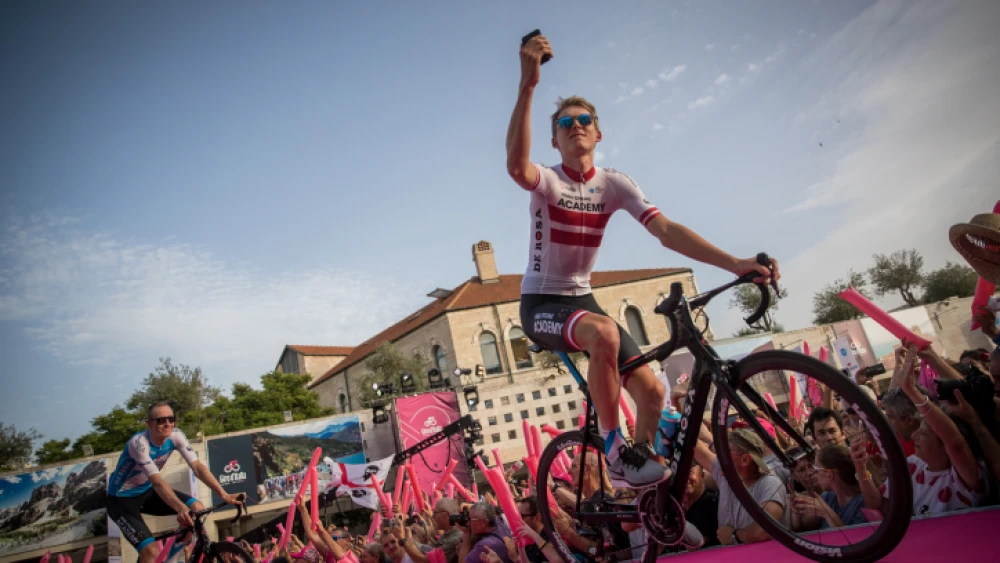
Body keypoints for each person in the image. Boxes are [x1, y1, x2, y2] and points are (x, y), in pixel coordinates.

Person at [508, 32, 780, 490]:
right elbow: (517, 167)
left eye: (585, 119)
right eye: (565, 122)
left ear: (598, 132)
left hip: (583, 299)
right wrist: (528, 85)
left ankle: (645, 479)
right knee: (605, 332)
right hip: (541, 304)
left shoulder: (614, 184)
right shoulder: (549, 182)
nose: (576, 125)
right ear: (554, 140)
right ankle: (615, 449)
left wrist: (734, 263)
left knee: (654, 391)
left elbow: (667, 232)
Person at [106, 402, 243, 563]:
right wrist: (181, 508)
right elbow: (157, 482)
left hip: (146, 491)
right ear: (149, 424)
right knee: (150, 550)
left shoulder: (176, 435)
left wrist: (224, 494)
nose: (168, 423)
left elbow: (197, 467)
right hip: (121, 500)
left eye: (171, 419)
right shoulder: (138, 444)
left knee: (198, 508)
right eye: (161, 420)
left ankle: (172, 555)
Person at [693, 429, 788, 545]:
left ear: (745, 459)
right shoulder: (728, 475)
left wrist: (735, 536)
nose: (720, 456)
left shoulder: (770, 483)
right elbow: (697, 449)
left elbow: (765, 530)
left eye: (725, 453)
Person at [792, 445, 867, 529]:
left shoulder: (862, 502)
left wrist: (826, 513)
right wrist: (796, 512)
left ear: (829, 474)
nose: (813, 473)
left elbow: (852, 539)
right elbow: (807, 527)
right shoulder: (827, 496)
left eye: (816, 469)